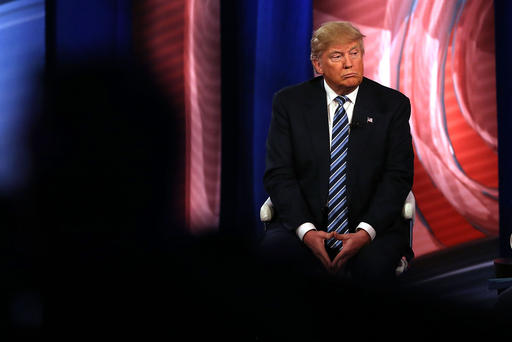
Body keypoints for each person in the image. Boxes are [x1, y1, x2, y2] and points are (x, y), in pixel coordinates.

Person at [259, 21, 414, 305]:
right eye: (337, 56)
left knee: (374, 269)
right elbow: (279, 174)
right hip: (303, 227)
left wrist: (364, 232)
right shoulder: (289, 104)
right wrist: (306, 232)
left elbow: (397, 176)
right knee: (274, 259)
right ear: (317, 65)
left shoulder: (392, 105)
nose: (348, 63)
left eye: (355, 53)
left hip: (370, 230)